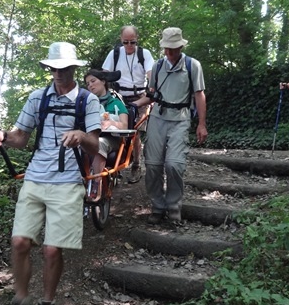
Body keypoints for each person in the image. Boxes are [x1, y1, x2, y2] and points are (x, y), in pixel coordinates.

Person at [0, 42, 100, 305]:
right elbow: (21, 138)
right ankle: (21, 303)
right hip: (36, 176)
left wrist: (81, 136)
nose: (59, 74)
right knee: (20, 241)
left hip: (68, 180)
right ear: (49, 69)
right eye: (54, 69)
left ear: (74, 69)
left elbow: (97, 146)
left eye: (64, 69)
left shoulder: (87, 101)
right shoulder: (38, 98)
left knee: (51, 249)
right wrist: (2, 137)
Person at [132, 27, 207, 224]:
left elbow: (199, 95)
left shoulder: (193, 65)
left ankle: (174, 206)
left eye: (173, 48)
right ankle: (158, 206)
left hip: (180, 119)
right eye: (166, 49)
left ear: (181, 46)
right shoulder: (157, 67)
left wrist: (202, 124)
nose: (169, 52)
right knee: (153, 165)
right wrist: (133, 105)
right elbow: (151, 95)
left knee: (174, 165)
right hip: (157, 118)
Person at [102, 25, 155, 183]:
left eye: (132, 42)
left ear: (137, 39)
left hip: (138, 96)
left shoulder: (144, 54)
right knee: (112, 129)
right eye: (126, 42)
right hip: (118, 96)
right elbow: (104, 74)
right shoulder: (115, 54)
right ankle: (114, 163)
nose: (129, 45)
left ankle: (136, 165)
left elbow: (150, 74)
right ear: (121, 40)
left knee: (135, 132)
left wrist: (151, 90)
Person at [83, 69, 129, 201]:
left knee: (99, 143)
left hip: (112, 139)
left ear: (103, 81)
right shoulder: (87, 104)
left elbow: (125, 125)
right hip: (91, 136)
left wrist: (111, 122)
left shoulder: (116, 103)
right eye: (87, 83)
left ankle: (96, 183)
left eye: (93, 81)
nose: (90, 85)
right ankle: (81, 180)